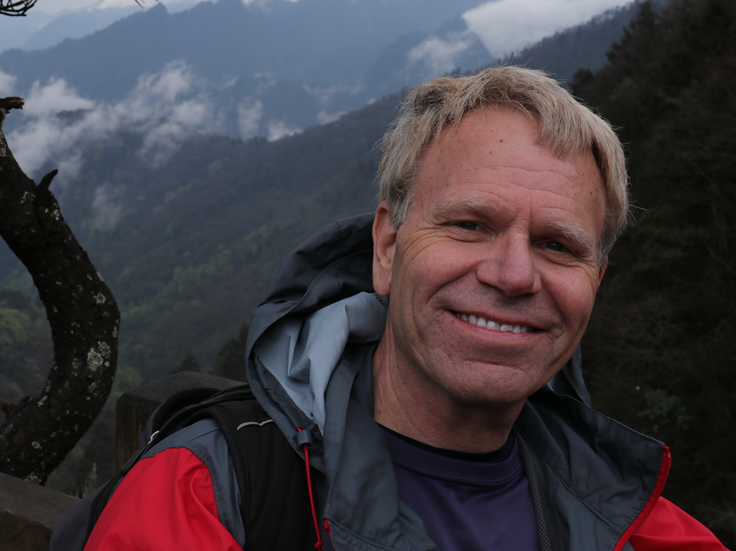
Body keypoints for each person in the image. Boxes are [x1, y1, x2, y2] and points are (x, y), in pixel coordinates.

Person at [78, 66, 727, 550]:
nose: (514, 274)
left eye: (558, 245)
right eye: (470, 224)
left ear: (596, 280)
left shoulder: (640, 527)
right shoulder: (205, 495)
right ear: (387, 247)